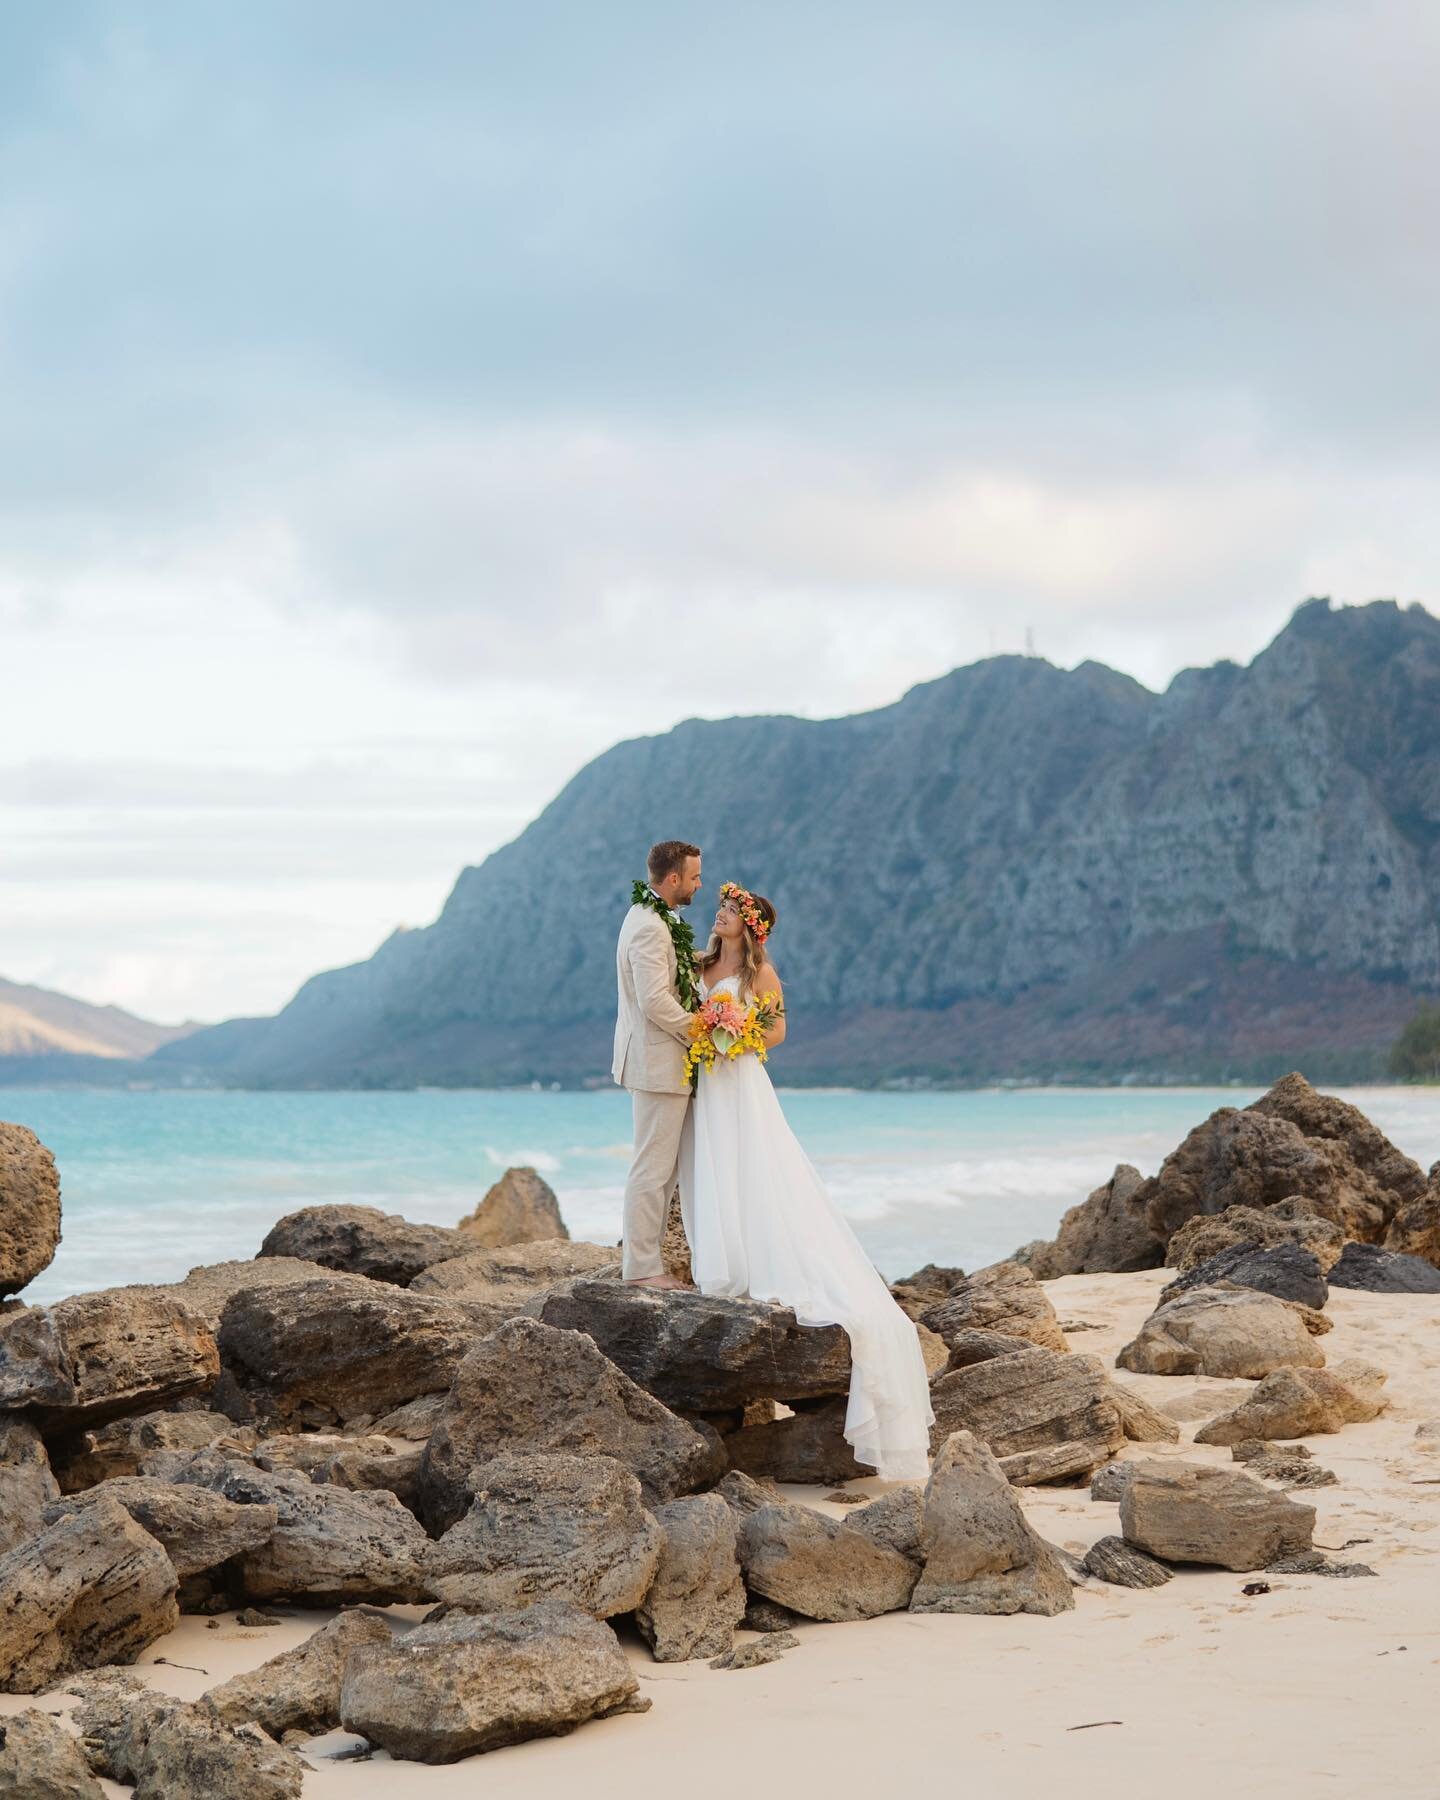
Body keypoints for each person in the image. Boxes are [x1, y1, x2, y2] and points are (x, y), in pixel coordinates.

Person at [681, 881, 934, 1480]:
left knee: (754, 1168)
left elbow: (777, 1034)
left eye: (726, 912)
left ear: (748, 926)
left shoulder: (760, 979)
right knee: (709, 1167)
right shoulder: (697, 963)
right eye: (717, 908)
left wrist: (735, 1036)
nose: (716, 916)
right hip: (704, 1082)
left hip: (737, 1080)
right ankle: (720, 1257)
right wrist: (704, 1031)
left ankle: (754, 1259)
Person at [613, 838, 703, 1287]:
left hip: (660, 1063)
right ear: (673, 879)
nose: (698, 884)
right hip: (657, 1063)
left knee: (660, 1169)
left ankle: (645, 1264)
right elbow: (654, 1001)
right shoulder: (650, 925)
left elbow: (672, 974)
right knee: (651, 1169)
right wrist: (703, 1033)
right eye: (694, 877)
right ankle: (642, 1270)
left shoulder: (653, 917)